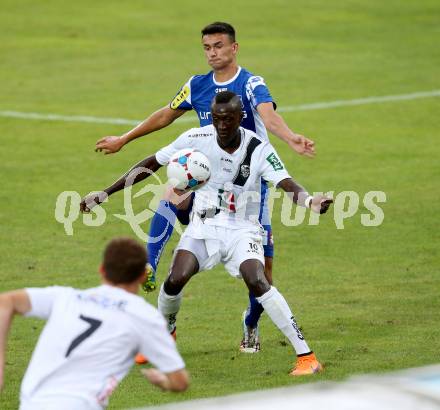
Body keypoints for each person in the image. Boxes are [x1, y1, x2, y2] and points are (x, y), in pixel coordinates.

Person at [94, 22, 315, 354]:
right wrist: (124, 140)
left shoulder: (251, 84)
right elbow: (166, 115)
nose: (212, 53)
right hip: (205, 176)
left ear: (234, 48)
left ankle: (251, 323)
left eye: (218, 46)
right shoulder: (195, 85)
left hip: (249, 187)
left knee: (262, 275)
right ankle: (151, 265)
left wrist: (291, 138)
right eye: (207, 48)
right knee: (172, 192)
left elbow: (269, 117)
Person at [80, 91, 332, 376]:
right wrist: (105, 193)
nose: (221, 125)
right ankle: (165, 336)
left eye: (228, 119)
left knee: (258, 280)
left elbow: (287, 182)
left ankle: (306, 357)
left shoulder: (258, 148)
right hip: (203, 227)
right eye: (216, 118)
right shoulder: (195, 139)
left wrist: (311, 201)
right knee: (175, 279)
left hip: (243, 229)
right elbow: (151, 163)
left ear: (240, 118)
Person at [0, 237, 189, 410]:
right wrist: (163, 381)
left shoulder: (65, 297)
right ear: (142, 277)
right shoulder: (144, 315)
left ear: (102, 270)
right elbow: (180, 382)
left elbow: (6, 302)